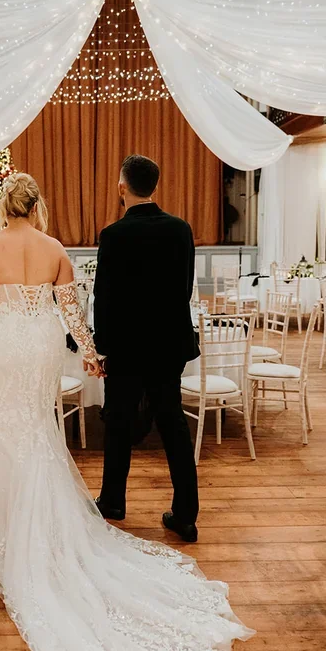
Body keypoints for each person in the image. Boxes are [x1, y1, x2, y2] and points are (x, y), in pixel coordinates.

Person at [0, 172, 252, 651]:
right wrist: (91, 352)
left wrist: (7, 314)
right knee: (42, 432)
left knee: (10, 436)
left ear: (5, 205)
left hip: (5, 348)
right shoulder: (55, 249)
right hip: (46, 347)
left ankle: (12, 531)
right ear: (39, 204)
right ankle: (65, 524)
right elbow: (73, 312)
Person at [94, 154, 200, 541]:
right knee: (173, 426)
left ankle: (113, 501)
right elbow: (185, 289)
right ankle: (186, 515)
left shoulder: (113, 235)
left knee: (118, 423)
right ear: (155, 186)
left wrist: (101, 347)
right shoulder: (181, 230)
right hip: (169, 345)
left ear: (122, 188)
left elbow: (102, 297)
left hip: (125, 347)